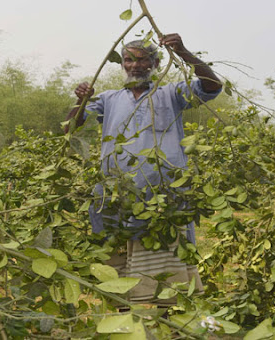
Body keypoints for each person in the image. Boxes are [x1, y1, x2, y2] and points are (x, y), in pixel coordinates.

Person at [65, 34, 222, 305]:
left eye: (143, 60)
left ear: (155, 63)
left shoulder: (171, 93)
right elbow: (69, 128)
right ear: (122, 64)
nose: (135, 66)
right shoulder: (108, 99)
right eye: (129, 60)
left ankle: (171, 322)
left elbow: (212, 87)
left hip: (164, 201)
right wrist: (80, 100)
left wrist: (184, 52)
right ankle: (128, 321)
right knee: (119, 270)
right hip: (117, 199)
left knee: (168, 274)